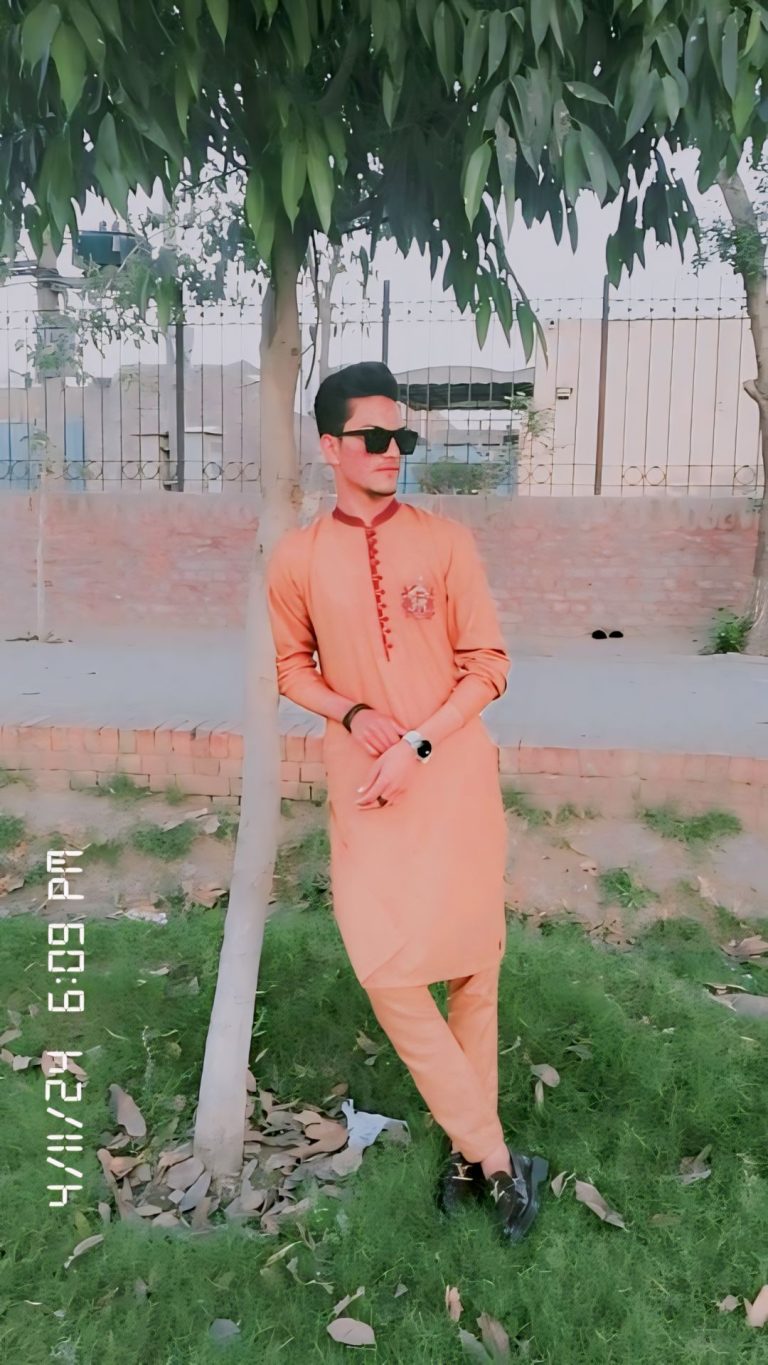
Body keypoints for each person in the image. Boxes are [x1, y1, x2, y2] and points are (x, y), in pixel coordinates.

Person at [266, 360, 548, 1243]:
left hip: (450, 774)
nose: (393, 451)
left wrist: (419, 742)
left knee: (470, 967)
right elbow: (290, 668)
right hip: (367, 785)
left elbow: (489, 666)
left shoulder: (446, 542)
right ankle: (498, 1154)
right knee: (386, 965)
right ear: (330, 447)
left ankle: (471, 1154)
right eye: (375, 437)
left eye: (403, 437)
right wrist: (354, 713)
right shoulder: (298, 557)